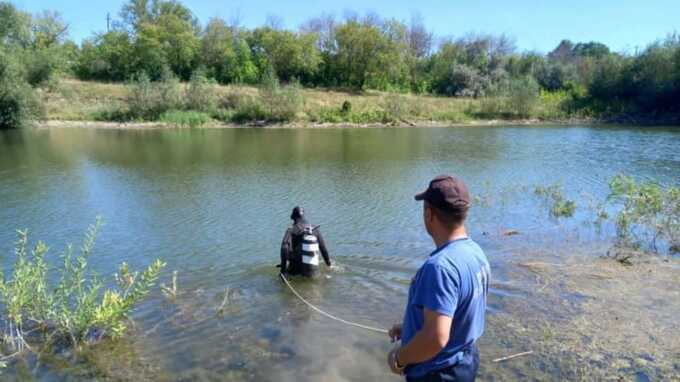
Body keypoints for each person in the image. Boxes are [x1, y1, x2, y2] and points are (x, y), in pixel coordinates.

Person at [386, 175, 490, 382]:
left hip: (437, 374)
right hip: (464, 363)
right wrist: (410, 328)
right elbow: (459, 313)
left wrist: (399, 358)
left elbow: (436, 338)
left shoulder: (440, 267)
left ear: (429, 214)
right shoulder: (476, 252)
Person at [279, 206, 331, 278]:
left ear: (293, 217)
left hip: (295, 270)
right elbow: (323, 248)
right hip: (311, 270)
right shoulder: (314, 229)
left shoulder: (291, 230)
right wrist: (328, 264)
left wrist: (283, 270)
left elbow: (284, 247)